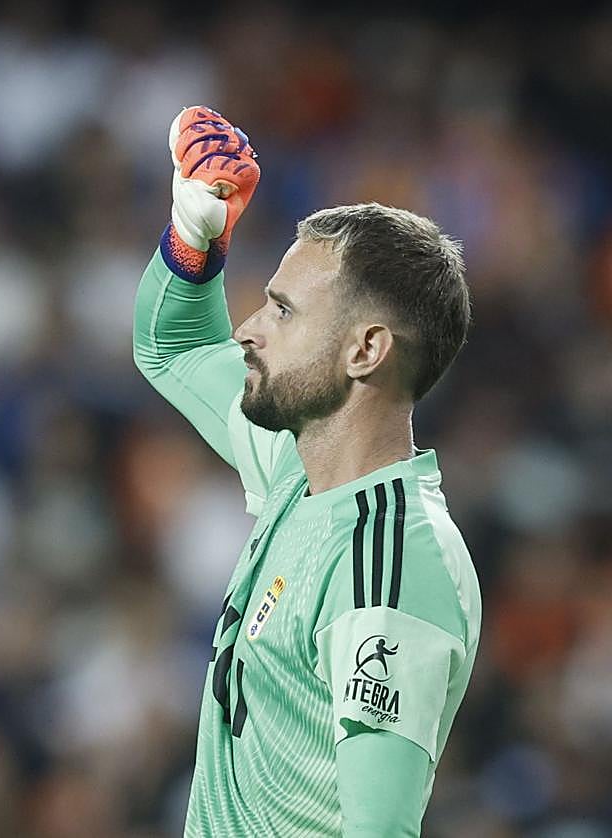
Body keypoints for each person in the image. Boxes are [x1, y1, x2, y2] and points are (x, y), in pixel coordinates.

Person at [133, 107, 481, 836]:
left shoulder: (388, 565)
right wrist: (198, 234)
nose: (248, 328)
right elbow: (171, 350)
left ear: (366, 350)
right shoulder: (300, 465)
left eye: (283, 311)